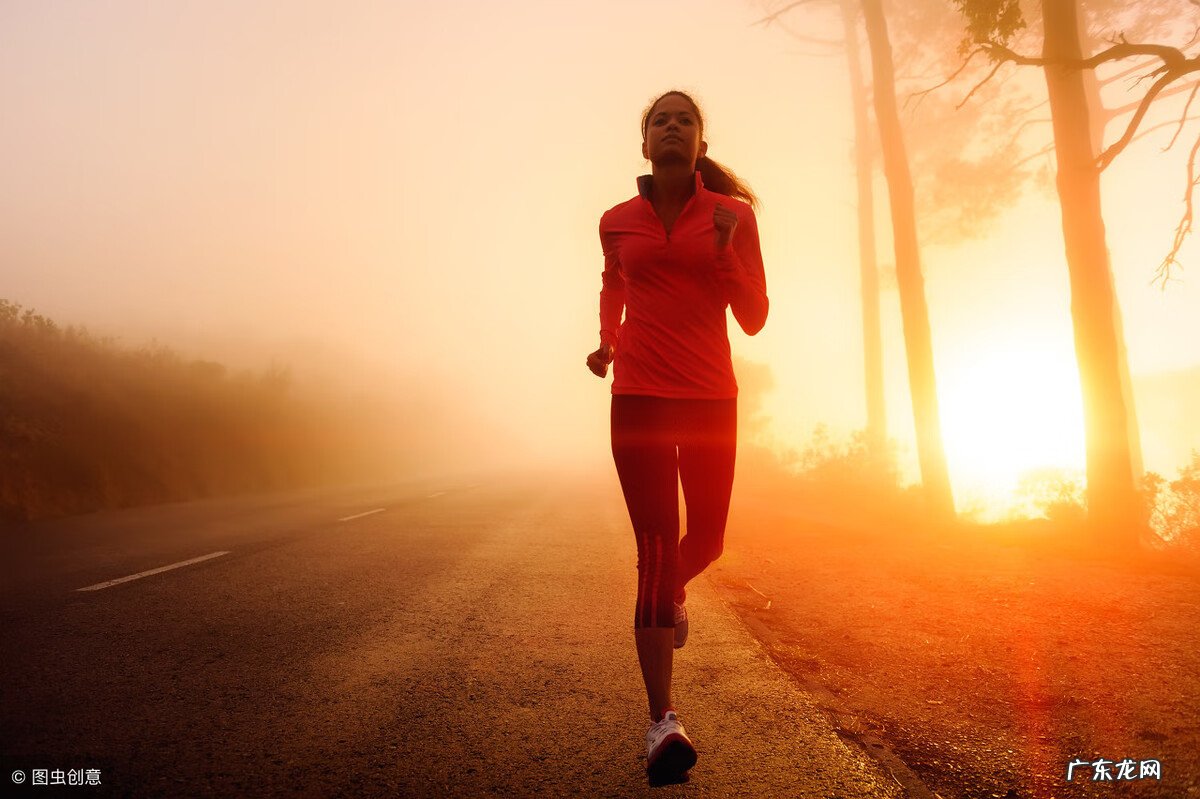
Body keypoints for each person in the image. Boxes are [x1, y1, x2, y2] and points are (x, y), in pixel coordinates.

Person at [586, 89, 768, 782]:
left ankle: (670, 598)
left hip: (709, 398)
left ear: (699, 142)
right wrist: (606, 343)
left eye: (683, 119)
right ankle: (662, 721)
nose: (671, 127)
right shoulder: (615, 221)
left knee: (709, 539)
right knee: (657, 552)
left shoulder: (734, 216)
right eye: (659, 119)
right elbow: (612, 285)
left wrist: (724, 254)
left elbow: (754, 316)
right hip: (637, 397)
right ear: (644, 144)